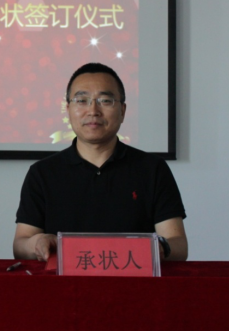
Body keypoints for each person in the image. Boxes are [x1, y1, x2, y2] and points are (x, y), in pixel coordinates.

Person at [13, 62, 187, 261]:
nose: (93, 111)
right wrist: (37, 242)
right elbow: (20, 244)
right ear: (68, 109)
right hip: (64, 280)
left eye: (105, 100)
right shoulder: (42, 172)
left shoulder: (152, 169)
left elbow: (178, 244)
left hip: (133, 277)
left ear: (122, 110)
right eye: (82, 100)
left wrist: (159, 247)